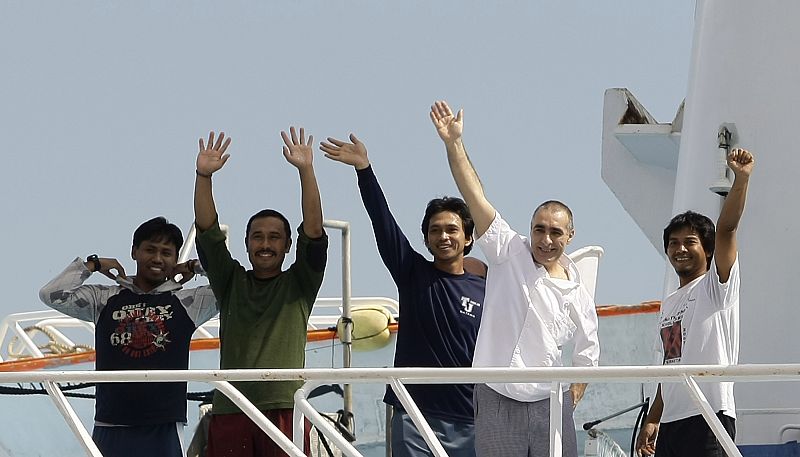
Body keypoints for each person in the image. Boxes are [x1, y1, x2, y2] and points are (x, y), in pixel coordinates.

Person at [430, 100, 600, 457]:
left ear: (570, 236)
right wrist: (454, 143)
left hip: (551, 400)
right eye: (539, 229)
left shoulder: (577, 289)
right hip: (498, 394)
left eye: (555, 232)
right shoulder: (508, 250)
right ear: (529, 229)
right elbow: (474, 195)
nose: (546, 239)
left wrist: (572, 394)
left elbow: (588, 352)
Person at [321, 134, 486, 457]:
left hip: (471, 420)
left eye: (452, 229)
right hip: (413, 415)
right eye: (435, 230)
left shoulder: (488, 288)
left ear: (468, 238)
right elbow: (382, 221)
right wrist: (364, 170)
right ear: (426, 239)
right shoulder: (413, 273)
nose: (443, 236)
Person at [193, 129, 327, 457]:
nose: (265, 244)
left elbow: (314, 230)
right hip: (231, 407)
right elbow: (207, 230)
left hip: (285, 408)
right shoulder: (230, 281)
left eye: (274, 237)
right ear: (246, 243)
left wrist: (306, 170)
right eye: (257, 237)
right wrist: (203, 176)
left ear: (288, 245)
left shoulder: (300, 283)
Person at [39, 216, 217, 457]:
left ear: (176, 260)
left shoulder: (188, 302)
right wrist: (93, 265)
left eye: (166, 253)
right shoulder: (104, 299)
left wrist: (195, 267)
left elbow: (229, 287)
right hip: (110, 422)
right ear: (134, 252)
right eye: (150, 250)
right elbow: (51, 294)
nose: (157, 258)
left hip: (163, 424)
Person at [635, 148, 754, 457]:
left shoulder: (716, 286)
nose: (680, 249)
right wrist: (654, 418)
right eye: (673, 243)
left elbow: (727, 229)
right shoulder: (669, 303)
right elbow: (670, 364)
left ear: (708, 250)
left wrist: (741, 180)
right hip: (672, 422)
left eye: (690, 242)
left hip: (709, 415)